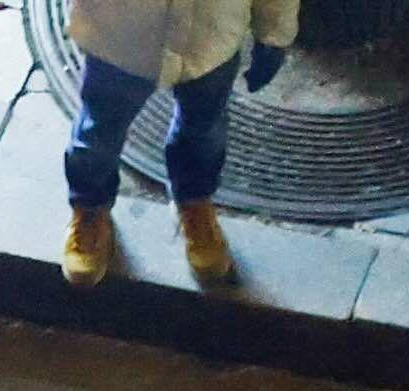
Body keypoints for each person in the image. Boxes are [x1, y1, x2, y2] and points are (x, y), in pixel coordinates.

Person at [58, 0, 297, 288]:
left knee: (202, 130)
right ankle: (90, 206)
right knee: (99, 133)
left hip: (211, 38)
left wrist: (273, 34)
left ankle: (194, 199)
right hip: (120, 39)